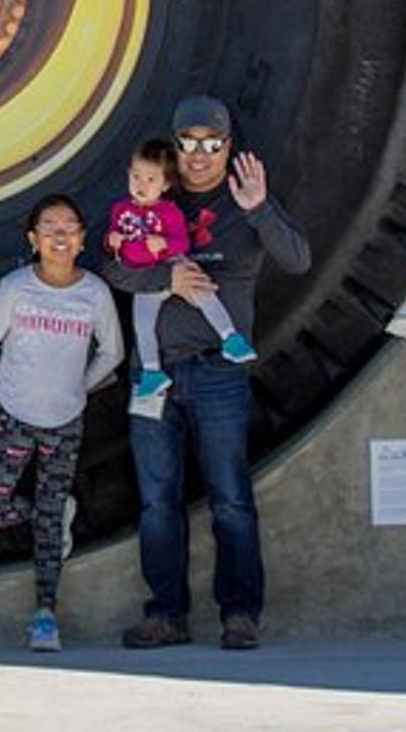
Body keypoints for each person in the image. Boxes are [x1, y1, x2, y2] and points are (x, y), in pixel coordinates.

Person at [104, 95, 310, 652]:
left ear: (228, 146)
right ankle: (166, 615)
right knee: (156, 502)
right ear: (175, 148)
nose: (199, 155)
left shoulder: (245, 202)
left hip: (220, 375)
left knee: (230, 498)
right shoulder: (148, 199)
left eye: (211, 144)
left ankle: (240, 614)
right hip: (156, 377)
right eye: (188, 144)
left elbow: (297, 260)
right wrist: (163, 283)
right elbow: (113, 270)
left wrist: (261, 207)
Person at [0, 194, 124, 651]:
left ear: (81, 239)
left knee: (51, 527)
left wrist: (80, 386)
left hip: (66, 422)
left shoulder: (94, 292)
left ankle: (45, 618)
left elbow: (111, 352)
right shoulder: (15, 288)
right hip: (16, 419)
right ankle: (49, 517)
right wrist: (8, 388)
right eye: (49, 227)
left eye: (69, 226)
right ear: (33, 239)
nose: (60, 234)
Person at [107, 138, 256, 419]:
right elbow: (115, 248)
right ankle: (152, 372)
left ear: (164, 185)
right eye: (135, 176)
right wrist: (111, 240)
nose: (141, 184)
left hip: (172, 262)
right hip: (147, 277)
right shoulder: (120, 210)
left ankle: (230, 338)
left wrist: (163, 244)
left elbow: (182, 243)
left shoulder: (169, 211)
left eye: (150, 179)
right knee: (143, 325)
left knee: (203, 293)